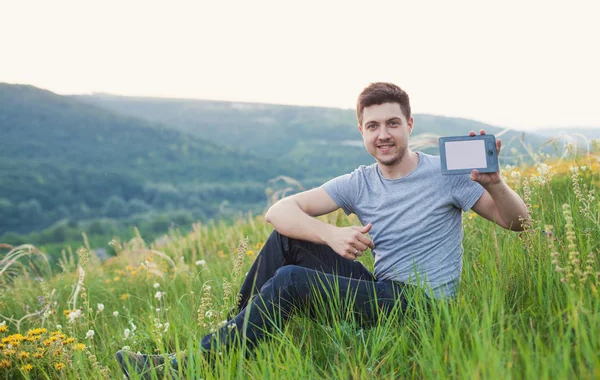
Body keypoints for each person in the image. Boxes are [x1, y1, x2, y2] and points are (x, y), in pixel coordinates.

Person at [116, 82, 528, 378]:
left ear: (409, 125)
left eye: (392, 123)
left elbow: (518, 223)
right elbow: (279, 210)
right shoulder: (360, 181)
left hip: (423, 309)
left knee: (293, 281)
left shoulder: (445, 174)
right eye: (373, 126)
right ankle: (223, 342)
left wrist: (494, 183)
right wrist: (329, 234)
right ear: (362, 132)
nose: (383, 134)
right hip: (381, 293)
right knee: (288, 237)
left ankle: (189, 366)